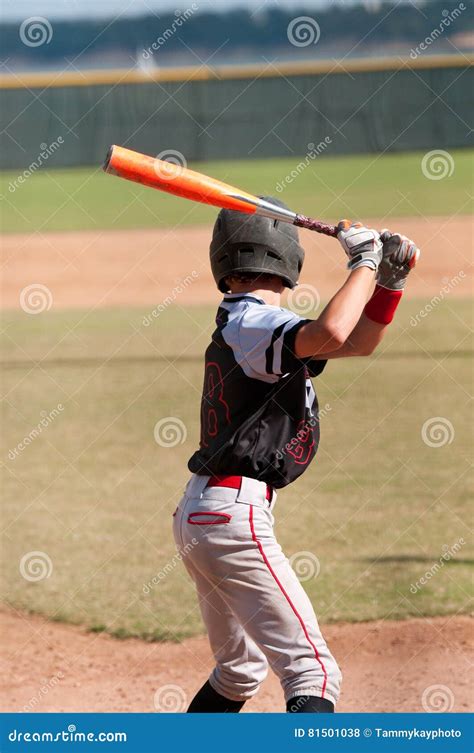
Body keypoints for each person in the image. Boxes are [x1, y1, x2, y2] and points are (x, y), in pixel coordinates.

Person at [172, 198, 420, 713]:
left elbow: (351, 343)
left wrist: (387, 285)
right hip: (231, 515)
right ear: (287, 254)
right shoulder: (253, 323)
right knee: (313, 673)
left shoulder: (251, 323)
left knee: (238, 673)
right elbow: (331, 332)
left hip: (207, 513)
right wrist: (362, 264)